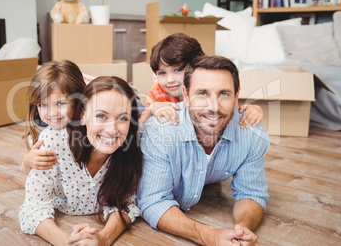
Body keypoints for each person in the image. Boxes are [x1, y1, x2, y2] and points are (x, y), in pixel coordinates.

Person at [137, 55, 270, 245]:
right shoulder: (160, 130)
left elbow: (251, 193)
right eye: (202, 94)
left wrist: (243, 229)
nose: (214, 107)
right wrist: (207, 235)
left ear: (236, 96)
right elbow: (154, 201)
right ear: (185, 95)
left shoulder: (251, 131)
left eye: (224, 93)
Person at [19, 75, 143, 246]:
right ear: (83, 115)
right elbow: (33, 209)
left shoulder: (133, 143)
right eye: (101, 116)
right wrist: (67, 242)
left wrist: (104, 238)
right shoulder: (52, 142)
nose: (112, 129)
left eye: (123, 118)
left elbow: (126, 204)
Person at [140, 33, 263, 128]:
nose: (170, 80)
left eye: (178, 70)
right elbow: (142, 129)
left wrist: (254, 110)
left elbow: (228, 111)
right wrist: (151, 110)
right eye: (162, 73)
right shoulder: (157, 92)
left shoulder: (210, 85)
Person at [21, 60, 86, 174]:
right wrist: (27, 161)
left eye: (60, 103)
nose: (52, 113)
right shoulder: (40, 131)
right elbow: (28, 173)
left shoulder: (89, 126)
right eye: (43, 105)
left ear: (77, 101)